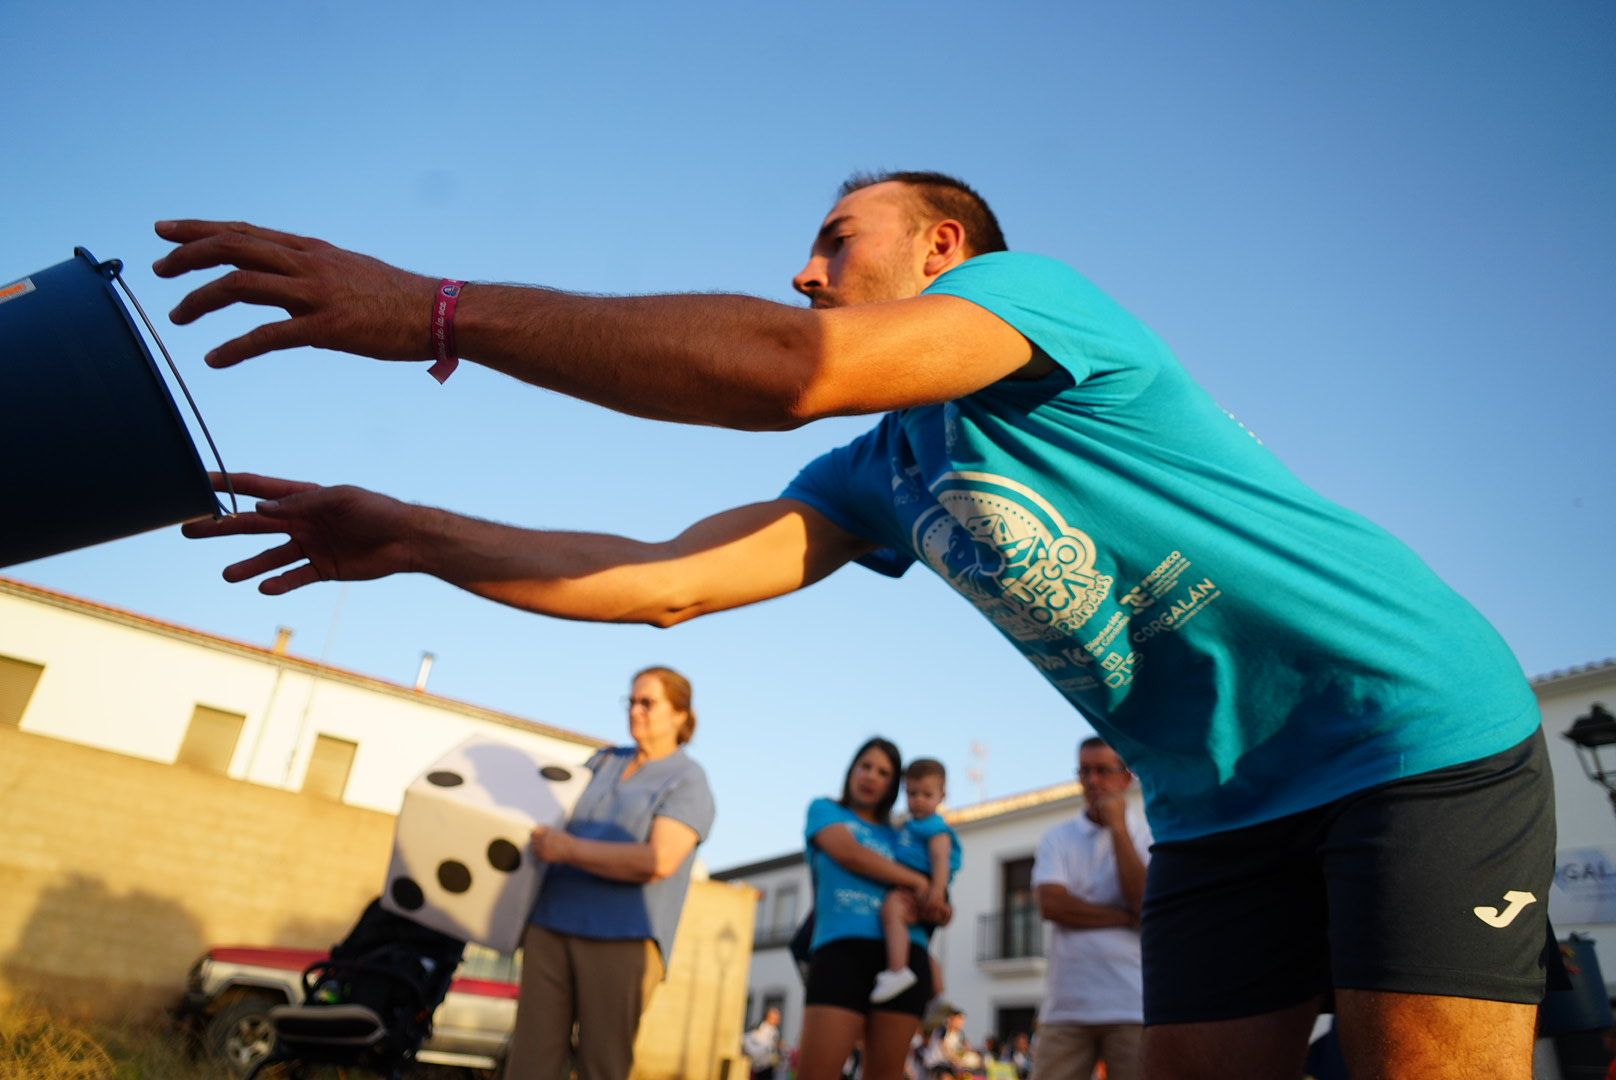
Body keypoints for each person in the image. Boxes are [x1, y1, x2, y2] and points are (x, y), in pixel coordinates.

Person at [161, 170, 1551, 1077]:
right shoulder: (879, 476)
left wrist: (435, 313)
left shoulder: (1031, 303)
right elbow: (666, 580)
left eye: (838, 243)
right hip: (1218, 816)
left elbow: (783, 370)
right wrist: (415, 537)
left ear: (942, 249)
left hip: (1409, 732)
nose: (806, 272)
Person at [503, 665, 715, 1080]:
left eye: (647, 702)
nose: (635, 710)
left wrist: (570, 849)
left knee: (603, 1065)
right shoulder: (602, 761)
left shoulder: (688, 781)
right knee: (528, 1063)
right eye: (631, 701)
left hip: (622, 938)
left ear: (679, 714)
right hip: (551, 924)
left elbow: (658, 861)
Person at [800, 738, 945, 1080]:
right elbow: (849, 854)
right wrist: (918, 881)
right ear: (852, 769)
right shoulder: (825, 810)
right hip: (841, 951)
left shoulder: (905, 833)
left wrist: (935, 901)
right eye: (865, 766)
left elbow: (939, 901)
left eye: (883, 772)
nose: (871, 776)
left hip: (907, 957)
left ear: (894, 784)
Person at [1029, 738, 1151, 1080]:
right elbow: (1052, 904)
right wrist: (1124, 917)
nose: (1093, 780)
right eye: (1084, 771)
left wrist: (1118, 829)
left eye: (1102, 770)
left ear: (1127, 778)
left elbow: (1144, 902)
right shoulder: (1058, 837)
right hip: (1066, 1009)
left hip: (1132, 1005)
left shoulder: (1147, 836)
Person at [873, 758, 960, 1004]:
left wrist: (936, 891)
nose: (918, 800)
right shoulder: (911, 826)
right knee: (915, 935)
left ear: (942, 795)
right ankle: (937, 993)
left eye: (926, 794)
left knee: (893, 909)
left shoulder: (934, 828)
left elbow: (941, 861)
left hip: (929, 884)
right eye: (912, 793)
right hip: (923, 885)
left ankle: (898, 971)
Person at [743, 1005, 784, 1080]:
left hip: (768, 1067)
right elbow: (751, 1045)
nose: (778, 1019)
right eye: (776, 1017)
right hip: (759, 1067)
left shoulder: (775, 1031)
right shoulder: (759, 1028)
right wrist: (773, 1046)